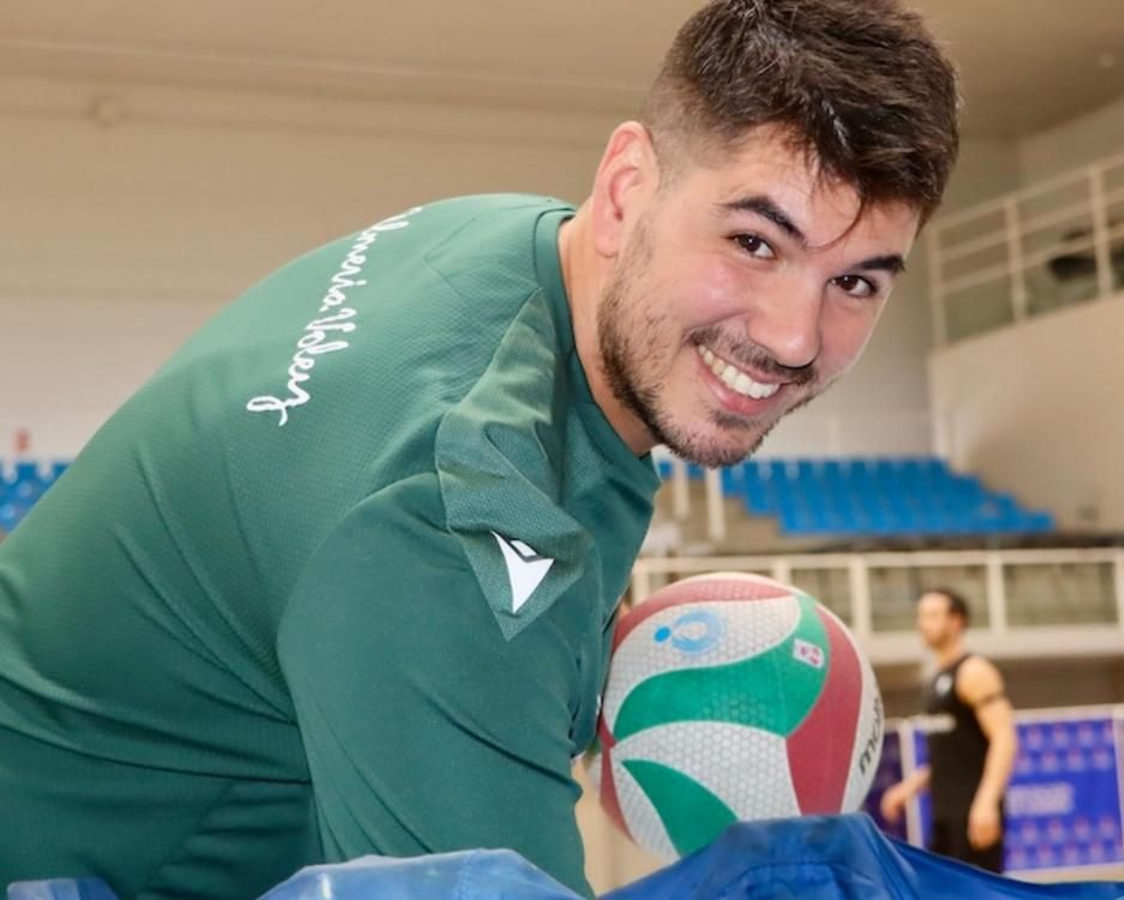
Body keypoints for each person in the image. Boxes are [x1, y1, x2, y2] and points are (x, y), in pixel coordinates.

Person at [0, 1, 960, 896]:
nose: (796, 337)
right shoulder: (454, 526)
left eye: (859, 284)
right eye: (756, 242)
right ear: (628, 191)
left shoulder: (525, 254)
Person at [880, 588, 1018, 873]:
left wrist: (986, 803)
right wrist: (909, 787)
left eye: (931, 615)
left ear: (956, 621)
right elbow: (951, 753)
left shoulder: (974, 671)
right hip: (944, 815)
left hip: (974, 816)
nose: (922, 623)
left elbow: (1004, 738)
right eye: (920, 616)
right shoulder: (937, 678)